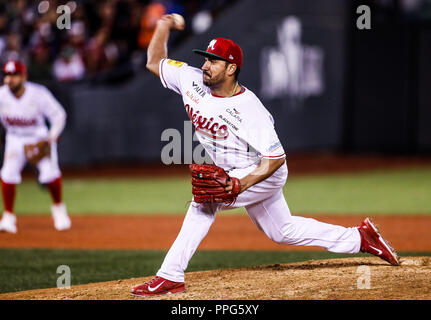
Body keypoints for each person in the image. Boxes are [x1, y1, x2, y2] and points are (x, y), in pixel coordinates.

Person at [131, 14, 400, 297]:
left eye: (213, 61)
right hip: (236, 171)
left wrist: (239, 184)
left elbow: (276, 158)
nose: (205, 65)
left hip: (261, 170)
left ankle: (170, 275)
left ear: (231, 68)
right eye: (206, 59)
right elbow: (154, 61)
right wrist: (162, 26)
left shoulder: (249, 109)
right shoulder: (191, 80)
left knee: (204, 202)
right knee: (281, 231)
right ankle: (361, 237)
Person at [0, 60, 71, 233]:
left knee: (50, 174)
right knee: (8, 174)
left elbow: (59, 115)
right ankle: (8, 217)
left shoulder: (38, 94)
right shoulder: (1, 95)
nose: (10, 79)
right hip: (15, 138)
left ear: (24, 76)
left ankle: (59, 210)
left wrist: (51, 137)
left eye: (14, 75)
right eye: (7, 75)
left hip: (38, 137)